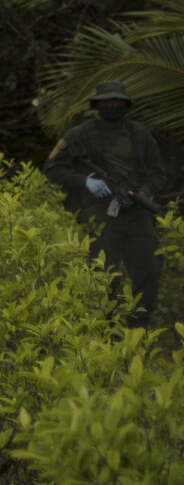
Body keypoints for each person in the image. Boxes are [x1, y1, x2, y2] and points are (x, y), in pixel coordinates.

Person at [45, 78, 165, 328]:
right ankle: (109, 331)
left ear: (126, 105)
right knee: (105, 276)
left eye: (117, 102)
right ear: (97, 105)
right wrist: (85, 181)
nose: (112, 106)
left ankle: (138, 328)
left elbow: (158, 174)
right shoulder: (80, 135)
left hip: (136, 213)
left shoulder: (140, 135)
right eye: (107, 102)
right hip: (100, 214)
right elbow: (53, 168)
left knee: (149, 269)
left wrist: (142, 193)